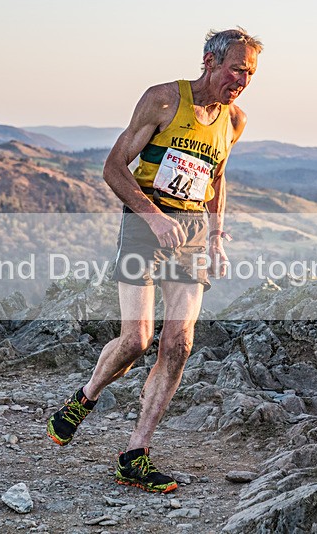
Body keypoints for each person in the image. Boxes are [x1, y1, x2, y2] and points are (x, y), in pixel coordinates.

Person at [46, 28, 261, 494]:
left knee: (179, 344)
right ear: (210, 60)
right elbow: (112, 167)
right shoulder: (163, 100)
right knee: (137, 339)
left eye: (250, 72)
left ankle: (135, 454)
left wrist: (218, 236)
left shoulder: (235, 120)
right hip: (145, 224)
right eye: (236, 68)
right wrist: (154, 215)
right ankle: (84, 398)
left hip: (194, 233)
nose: (242, 79)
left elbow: (216, 177)